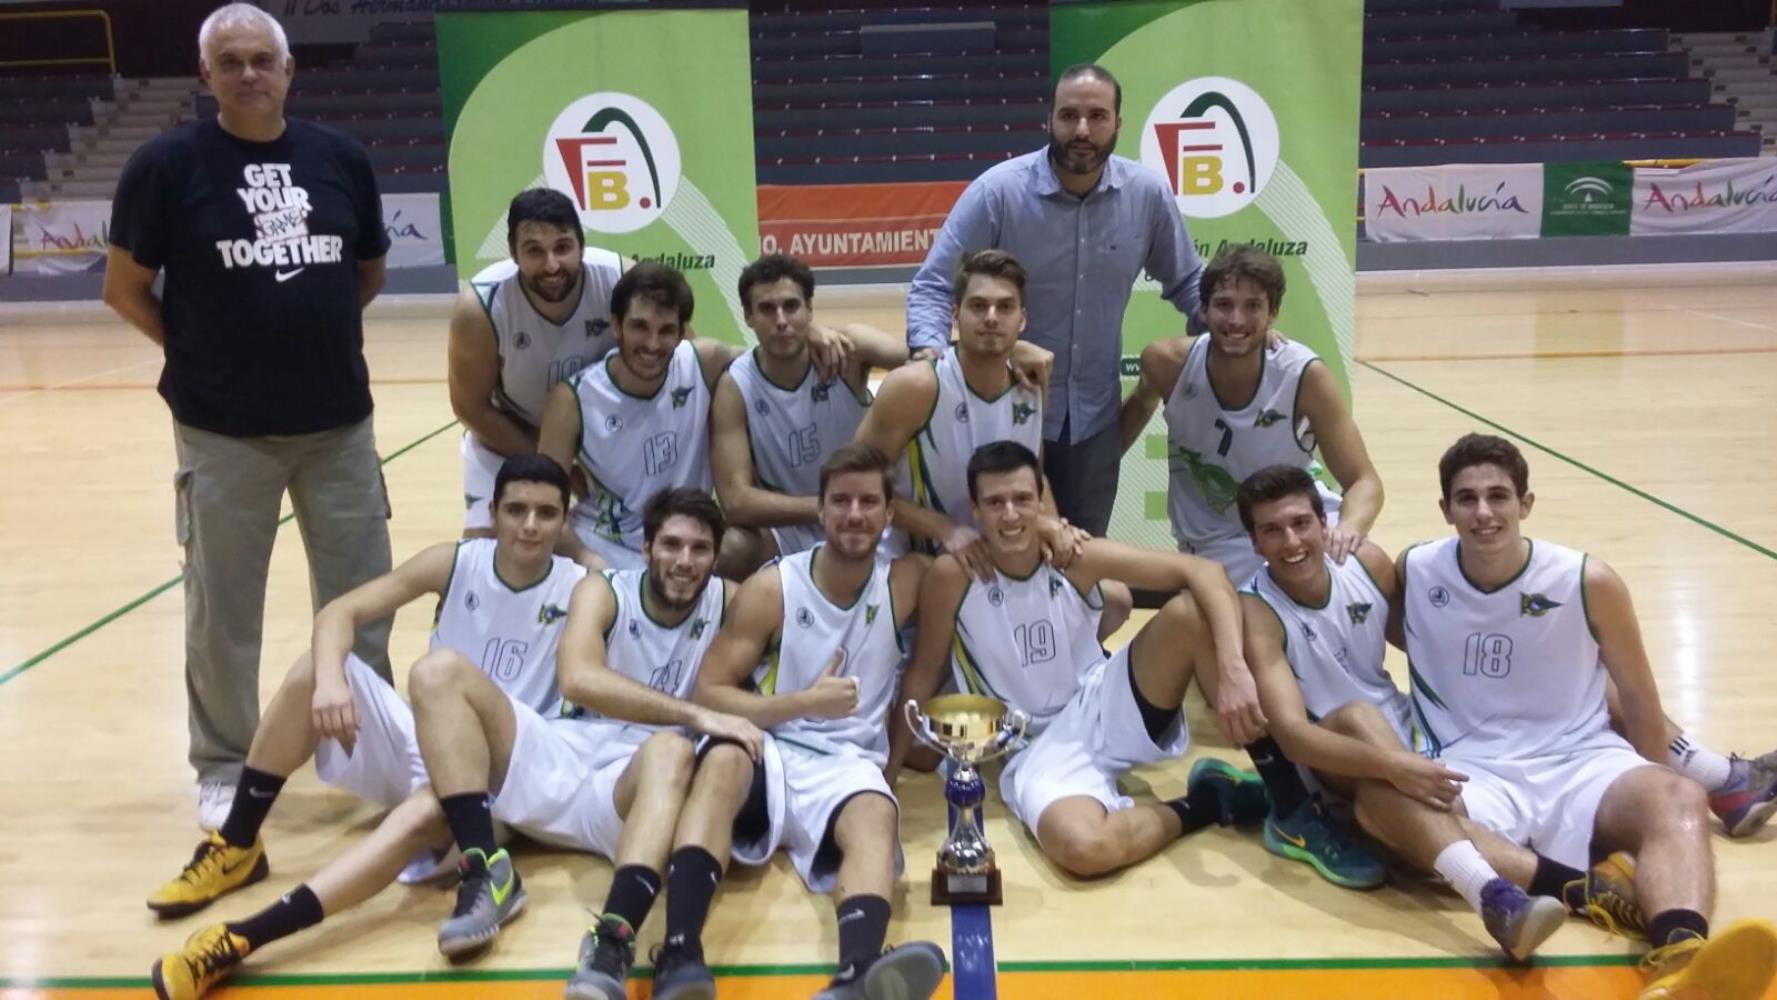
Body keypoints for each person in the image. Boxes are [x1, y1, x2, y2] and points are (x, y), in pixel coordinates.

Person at [102, 0, 395, 830]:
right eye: (229, 61)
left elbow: (363, 276)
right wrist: (195, 353)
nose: (248, 74)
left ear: (288, 68)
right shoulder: (165, 166)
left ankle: (361, 747)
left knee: (361, 600)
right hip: (222, 433)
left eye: (261, 59)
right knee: (222, 610)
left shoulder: (340, 159)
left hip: (338, 427)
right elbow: (124, 289)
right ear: (206, 75)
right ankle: (226, 761)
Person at [146, 454, 585, 1000]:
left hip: (497, 777)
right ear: (491, 512)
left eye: (546, 513)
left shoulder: (583, 587)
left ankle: (240, 939)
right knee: (315, 669)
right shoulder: (452, 562)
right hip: (429, 739)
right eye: (516, 509)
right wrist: (332, 681)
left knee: (427, 810)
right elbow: (339, 614)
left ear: (566, 521)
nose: (529, 525)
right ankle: (237, 844)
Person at [1402, 434, 1777, 998]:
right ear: (1445, 509)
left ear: (1526, 504)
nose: (1483, 512)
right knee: (1405, 816)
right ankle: (1592, 888)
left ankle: (1680, 962)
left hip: (1580, 763)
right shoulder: (1414, 571)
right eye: (1467, 498)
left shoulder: (1588, 582)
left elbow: (1643, 711)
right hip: (1471, 770)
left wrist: (1673, 786)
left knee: (1677, 799)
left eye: (1499, 496)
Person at [1235, 464, 1645, 959]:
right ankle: (1512, 897)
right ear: (1255, 544)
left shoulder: (1365, 562)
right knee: (1359, 718)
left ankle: (1695, 774)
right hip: (1335, 757)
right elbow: (1296, 737)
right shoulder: (1258, 612)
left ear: (1325, 523)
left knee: (1580, 678)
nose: (1290, 541)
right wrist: (1397, 766)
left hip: (1410, 734)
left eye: (1301, 523)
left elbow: (1434, 646)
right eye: (1271, 531)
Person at [404, 488, 763, 998]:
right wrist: (697, 713)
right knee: (438, 672)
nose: (685, 561)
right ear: (645, 547)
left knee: (672, 749)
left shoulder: (730, 600)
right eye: (672, 545)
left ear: (715, 555)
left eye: (700, 549)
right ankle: (484, 871)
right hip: (559, 751)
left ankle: (611, 941)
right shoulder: (604, 590)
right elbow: (577, 679)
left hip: (630, 793)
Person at [887, 442, 1269, 879]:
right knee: (1084, 849)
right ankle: (1208, 801)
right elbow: (921, 674)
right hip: (1032, 747)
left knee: (1189, 614)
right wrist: (889, 776)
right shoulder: (952, 578)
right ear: (975, 509)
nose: (1010, 514)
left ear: (1041, 503)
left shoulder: (1075, 558)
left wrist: (1235, 671)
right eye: (995, 503)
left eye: (1022, 500)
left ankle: (1289, 796)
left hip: (1101, 703)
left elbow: (1204, 572)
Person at [684, 443, 949, 1000]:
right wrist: (801, 704)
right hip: (774, 744)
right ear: (821, 511)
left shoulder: (907, 580)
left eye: (868, 502)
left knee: (877, 814)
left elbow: (983, 562)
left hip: (848, 764)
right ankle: (680, 956)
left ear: (888, 513)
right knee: (722, 759)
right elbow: (708, 689)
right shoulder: (773, 588)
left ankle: (855, 976)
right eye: (841, 501)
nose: (855, 514)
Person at [906, 62, 1202, 538]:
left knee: (1079, 557)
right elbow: (934, 286)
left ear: (1117, 124)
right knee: (997, 553)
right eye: (1069, 115)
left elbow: (1190, 283)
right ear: (1050, 119)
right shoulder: (998, 192)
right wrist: (929, 358)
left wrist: (1239, 338)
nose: (1082, 129)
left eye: (1097, 116)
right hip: (997, 413)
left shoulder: (1147, 196)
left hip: (1094, 421)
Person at [859, 250, 1118, 635]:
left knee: (1114, 600)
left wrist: (1051, 524)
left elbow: (1034, 476)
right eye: (978, 306)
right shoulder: (917, 386)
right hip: (914, 560)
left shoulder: (1030, 388)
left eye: (1005, 307)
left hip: (995, 556)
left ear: (1023, 319)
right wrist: (944, 529)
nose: (992, 317)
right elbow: (856, 485)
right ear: (954, 316)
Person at [1120, 244, 1383, 587]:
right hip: (1219, 543)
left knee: (1374, 566)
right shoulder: (1166, 364)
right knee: (1250, 628)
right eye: (1224, 305)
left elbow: (1364, 481)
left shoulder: (1304, 376)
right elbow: (1135, 410)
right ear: (1202, 309)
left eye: (1253, 307)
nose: (1236, 320)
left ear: (1272, 313)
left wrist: (1349, 530)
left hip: (1294, 525)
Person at [712, 253, 910, 570]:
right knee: (727, 548)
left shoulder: (850, 349)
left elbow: (927, 363)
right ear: (748, 316)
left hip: (867, 514)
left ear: (810, 310)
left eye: (791, 306)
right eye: (766, 309)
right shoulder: (734, 387)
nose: (781, 320)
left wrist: (1015, 351)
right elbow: (735, 501)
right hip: (791, 526)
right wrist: (827, 506)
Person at [449, 187, 626, 535]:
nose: (551, 265)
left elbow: (682, 357)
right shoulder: (481, 308)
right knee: (489, 557)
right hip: (509, 441)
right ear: (514, 253)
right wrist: (555, 467)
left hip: (604, 443)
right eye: (534, 251)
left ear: (581, 246)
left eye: (562, 247)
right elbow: (470, 408)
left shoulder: (620, 280)